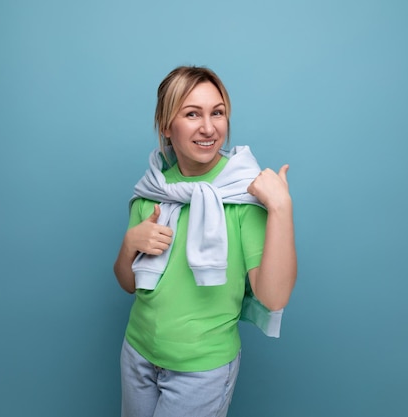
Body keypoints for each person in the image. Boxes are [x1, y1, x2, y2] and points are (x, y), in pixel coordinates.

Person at [113, 65, 297, 417]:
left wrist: (281, 207)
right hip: (137, 353)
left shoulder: (244, 195)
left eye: (218, 112)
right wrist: (129, 244)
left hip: (201, 369)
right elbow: (128, 283)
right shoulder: (153, 189)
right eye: (192, 113)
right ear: (167, 125)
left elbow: (273, 296)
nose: (209, 127)